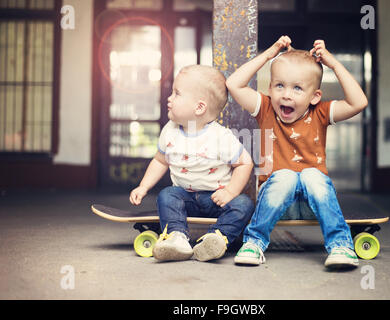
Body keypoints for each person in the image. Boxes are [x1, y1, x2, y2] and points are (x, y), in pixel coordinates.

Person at [226, 36, 368, 268]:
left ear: (315, 97)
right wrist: (270, 54)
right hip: (275, 204)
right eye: (279, 85)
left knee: (311, 175)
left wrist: (333, 64)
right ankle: (254, 242)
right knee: (286, 175)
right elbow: (233, 84)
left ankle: (340, 245)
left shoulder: (320, 113)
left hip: (314, 204)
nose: (287, 95)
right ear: (270, 89)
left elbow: (358, 102)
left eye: (298, 88)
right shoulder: (265, 109)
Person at [130, 65, 255, 262]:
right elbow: (160, 160)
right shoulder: (169, 131)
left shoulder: (220, 136)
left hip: (216, 198)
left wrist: (230, 191)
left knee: (243, 204)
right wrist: (144, 186)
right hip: (184, 197)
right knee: (166, 196)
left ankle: (216, 238)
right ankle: (177, 238)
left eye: (177, 94)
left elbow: (244, 163)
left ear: (199, 107)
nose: (169, 98)